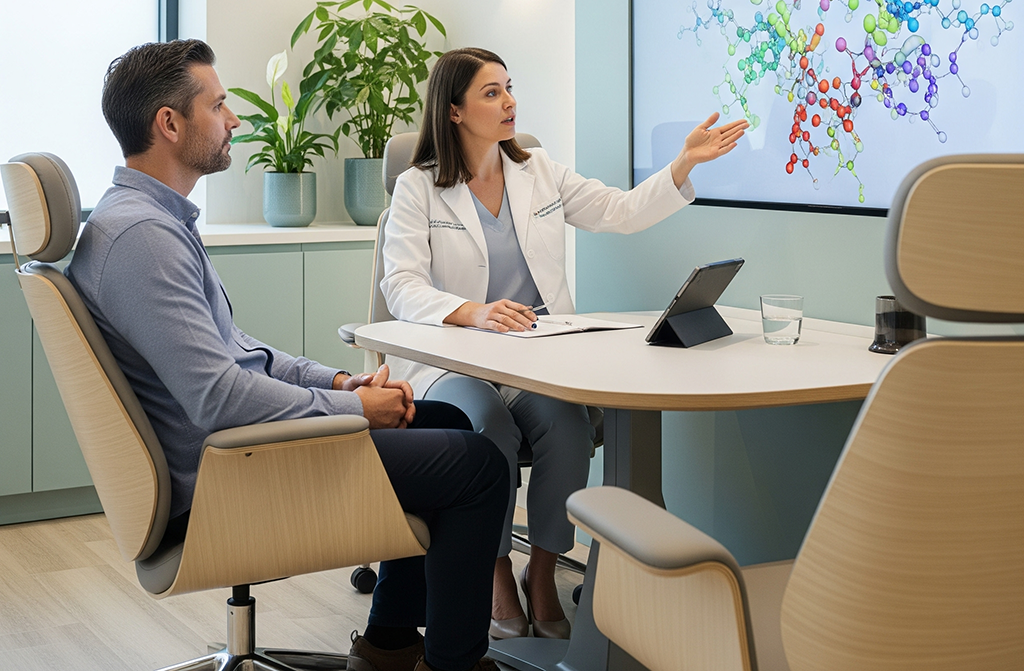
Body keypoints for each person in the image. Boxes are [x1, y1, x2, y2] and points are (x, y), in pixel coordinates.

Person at [66, 39, 507, 671]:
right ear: (170, 123)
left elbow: (239, 352)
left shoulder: (148, 222)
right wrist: (351, 408)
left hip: (239, 451)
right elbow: (219, 397)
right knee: (477, 466)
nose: (235, 120)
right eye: (218, 106)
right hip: (232, 477)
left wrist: (336, 380)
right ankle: (454, 665)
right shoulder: (141, 238)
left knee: (446, 424)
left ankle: (387, 647)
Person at [380, 47, 749, 639]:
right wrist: (473, 312)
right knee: (487, 429)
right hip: (457, 361)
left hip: (536, 354)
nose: (510, 102)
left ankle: (543, 572)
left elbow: (619, 211)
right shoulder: (417, 187)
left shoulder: (539, 170)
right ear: (453, 111)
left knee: (570, 425)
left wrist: (682, 166)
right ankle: (497, 574)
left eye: (509, 88)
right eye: (491, 93)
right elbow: (399, 287)